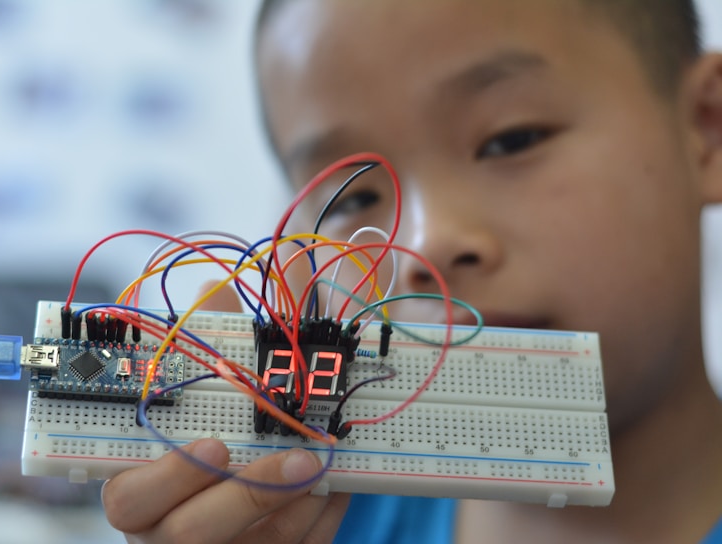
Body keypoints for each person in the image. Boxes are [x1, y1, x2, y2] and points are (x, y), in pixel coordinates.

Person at [101, 0, 722, 542]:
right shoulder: (286, 522)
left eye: (512, 138)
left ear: (706, 127)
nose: (427, 246)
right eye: (353, 198)